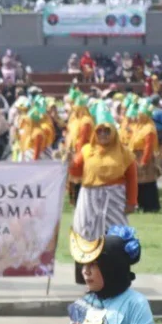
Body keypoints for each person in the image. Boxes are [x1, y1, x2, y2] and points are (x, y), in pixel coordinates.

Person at [67, 106, 137, 284]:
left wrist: (131, 202)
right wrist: (69, 160)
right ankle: (85, 275)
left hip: (114, 198)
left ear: (114, 132)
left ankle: (116, 273)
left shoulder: (125, 153)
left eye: (107, 131)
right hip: (89, 197)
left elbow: (132, 179)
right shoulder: (86, 151)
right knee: (84, 231)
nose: (103, 134)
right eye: (100, 131)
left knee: (116, 234)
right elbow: (75, 169)